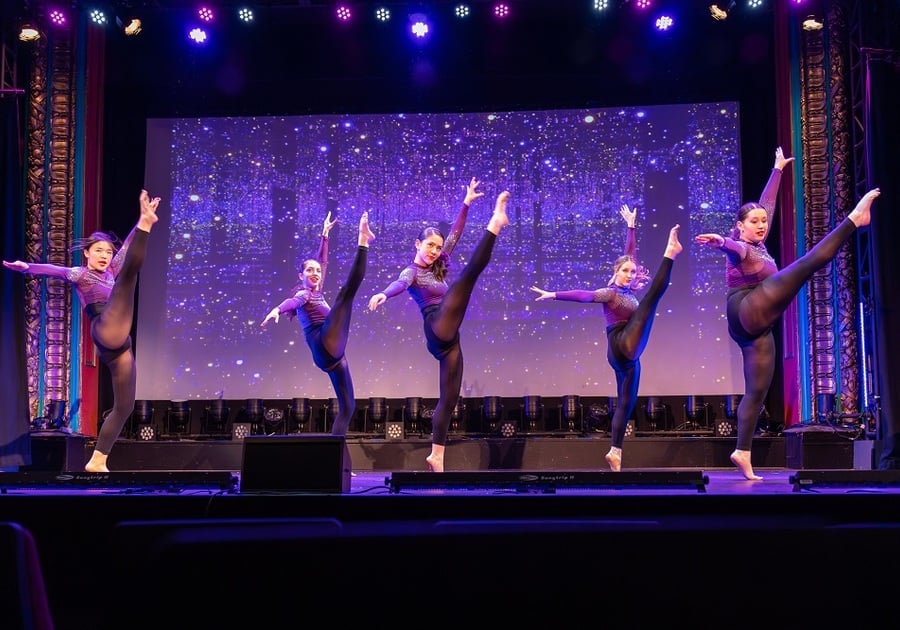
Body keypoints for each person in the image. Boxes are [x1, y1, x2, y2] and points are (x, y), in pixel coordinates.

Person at [695, 146, 880, 480]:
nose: (762, 225)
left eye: (764, 222)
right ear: (740, 226)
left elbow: (767, 203)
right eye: (754, 222)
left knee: (757, 391)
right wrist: (720, 241)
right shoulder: (741, 248)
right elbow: (732, 246)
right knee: (807, 264)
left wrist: (778, 169)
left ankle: (742, 451)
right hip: (746, 307)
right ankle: (855, 218)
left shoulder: (760, 243)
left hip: (754, 325)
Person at [3, 189, 160, 473]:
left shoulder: (112, 269)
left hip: (121, 341)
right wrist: (27, 267)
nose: (104, 255)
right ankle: (149, 225)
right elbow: (54, 270)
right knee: (128, 278)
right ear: (87, 253)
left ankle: (98, 460)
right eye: (98, 250)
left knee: (124, 405)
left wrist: (139, 220)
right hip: (105, 327)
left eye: (108, 252)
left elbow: (126, 250)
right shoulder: (80, 274)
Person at [368, 178, 509, 472]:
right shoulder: (412, 271)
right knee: (467, 278)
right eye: (429, 246)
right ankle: (495, 223)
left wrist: (466, 203)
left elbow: (455, 235)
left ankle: (437, 456)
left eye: (437, 248)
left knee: (449, 399)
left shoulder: (439, 263)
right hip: (436, 325)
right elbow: (399, 283)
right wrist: (383, 292)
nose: (434, 251)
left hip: (450, 340)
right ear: (417, 244)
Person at [531, 205, 682, 472]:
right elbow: (585, 295)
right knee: (649, 304)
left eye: (633, 273)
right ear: (615, 271)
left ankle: (615, 452)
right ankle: (670, 254)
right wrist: (554, 294)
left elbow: (630, 256)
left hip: (629, 355)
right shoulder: (610, 292)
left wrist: (631, 227)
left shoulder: (628, 287)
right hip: (619, 342)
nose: (630, 275)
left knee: (627, 402)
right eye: (625, 271)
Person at [261, 211, 375, 436]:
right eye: (309, 270)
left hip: (334, 357)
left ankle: (338, 457)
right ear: (300, 275)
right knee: (346, 295)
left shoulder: (317, 289)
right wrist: (276, 309)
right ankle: (363, 241)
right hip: (323, 343)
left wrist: (324, 235)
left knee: (348, 407)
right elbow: (292, 302)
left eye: (318, 271)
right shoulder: (304, 295)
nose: (315, 273)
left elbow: (322, 260)